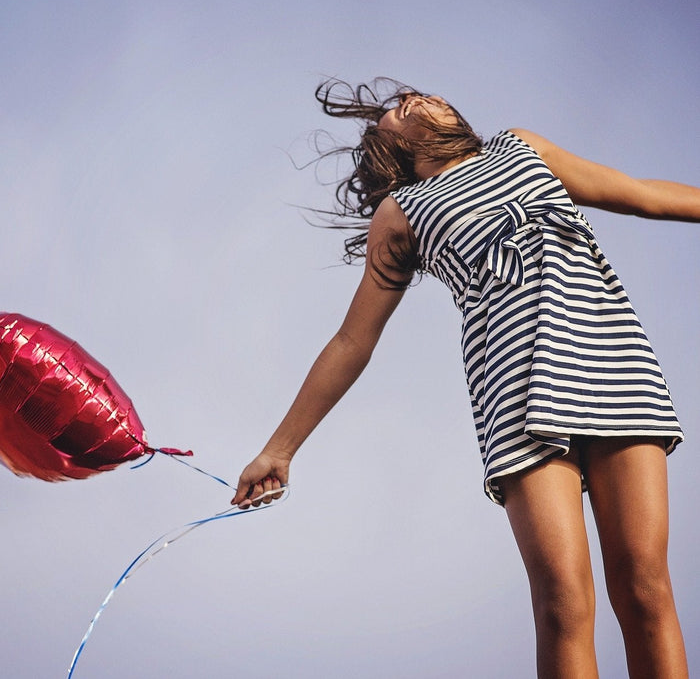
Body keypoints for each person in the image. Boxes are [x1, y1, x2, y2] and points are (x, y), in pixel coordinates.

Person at [232, 78, 699, 678]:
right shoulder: (402, 213)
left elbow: (641, 194)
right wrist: (279, 449)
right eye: (399, 108)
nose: (417, 100)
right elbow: (353, 341)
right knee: (562, 602)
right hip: (515, 394)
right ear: (387, 142)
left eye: (417, 93)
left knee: (643, 583)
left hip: (612, 362)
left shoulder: (521, 148)